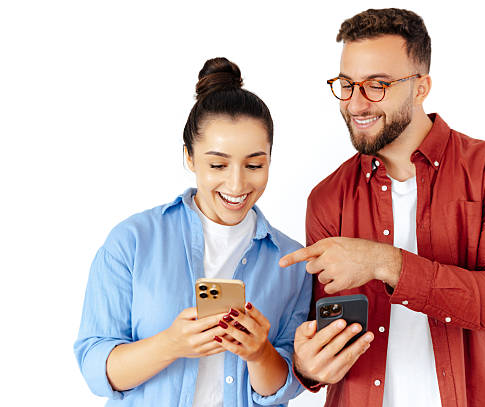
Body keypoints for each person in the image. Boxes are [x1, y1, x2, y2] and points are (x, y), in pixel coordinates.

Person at [280, 8, 485, 407]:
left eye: (377, 85)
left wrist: (385, 262)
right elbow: (317, 335)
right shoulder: (328, 198)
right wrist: (308, 366)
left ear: (421, 87)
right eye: (346, 84)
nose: (356, 103)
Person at [74, 57, 311, 407]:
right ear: (189, 157)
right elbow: (96, 368)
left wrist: (260, 354)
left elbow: (285, 385)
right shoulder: (133, 240)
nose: (237, 183)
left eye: (255, 164)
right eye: (217, 164)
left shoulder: (291, 261)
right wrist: (171, 343)